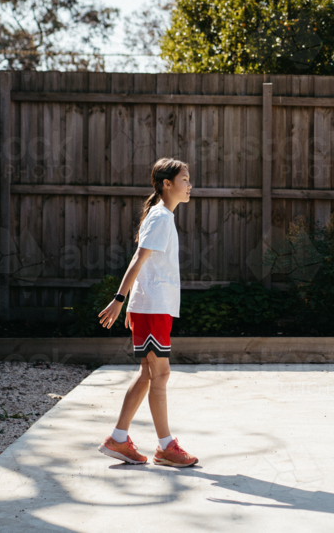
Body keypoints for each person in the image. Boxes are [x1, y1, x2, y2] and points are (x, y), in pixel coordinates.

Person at [96, 158, 199, 468]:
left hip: (153, 306)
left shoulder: (161, 216)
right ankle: (166, 446)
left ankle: (119, 438)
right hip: (153, 307)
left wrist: (131, 303)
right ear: (166, 184)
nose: (189, 184)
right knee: (159, 373)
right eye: (184, 179)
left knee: (148, 373)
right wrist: (120, 298)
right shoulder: (160, 218)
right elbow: (138, 260)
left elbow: (147, 263)